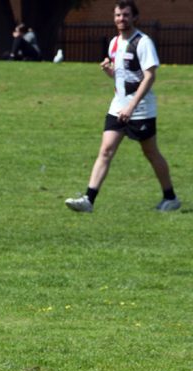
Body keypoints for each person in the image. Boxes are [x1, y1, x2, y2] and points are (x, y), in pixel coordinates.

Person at [65, 0, 180, 213]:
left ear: (135, 17)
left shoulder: (143, 42)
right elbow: (123, 77)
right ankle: (88, 200)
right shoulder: (114, 43)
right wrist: (110, 71)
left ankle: (170, 197)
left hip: (141, 109)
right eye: (118, 15)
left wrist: (132, 106)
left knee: (151, 152)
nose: (121, 19)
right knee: (106, 150)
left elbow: (149, 77)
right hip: (118, 107)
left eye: (126, 15)